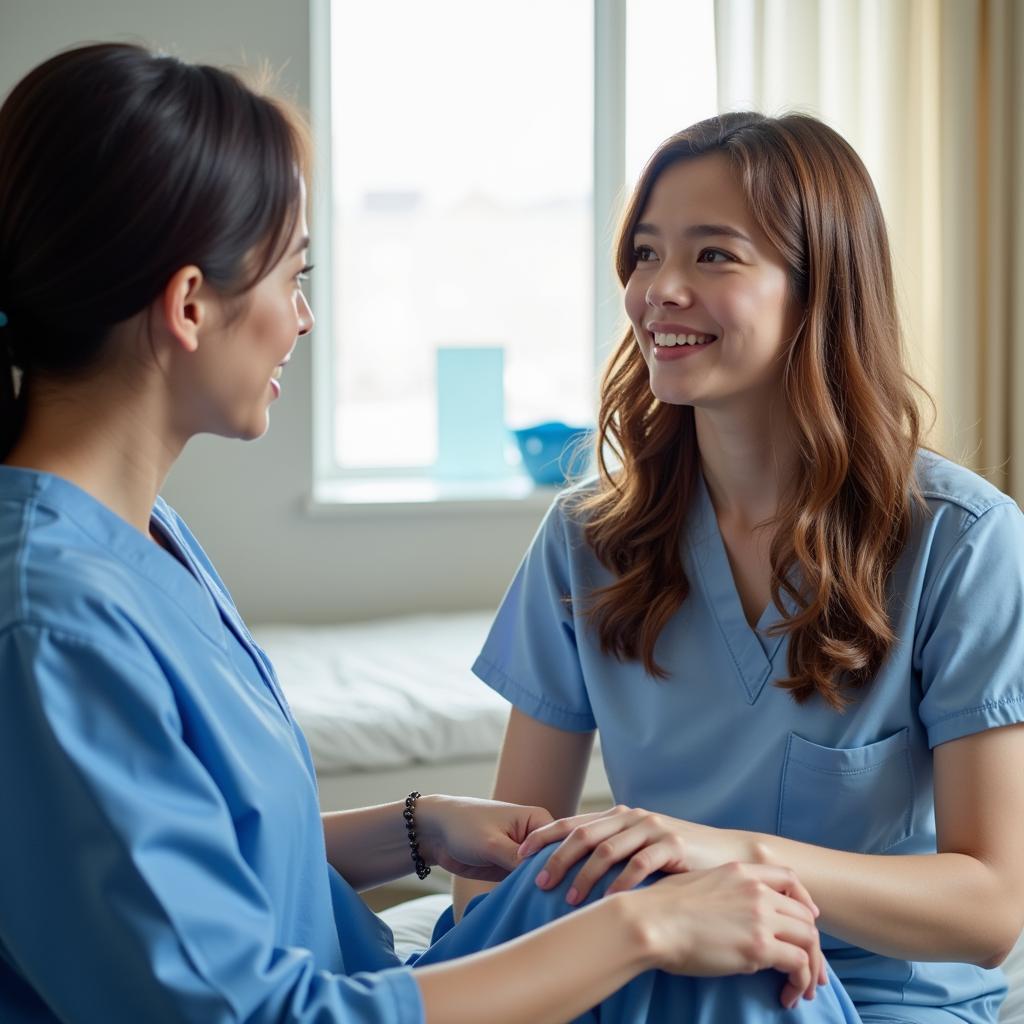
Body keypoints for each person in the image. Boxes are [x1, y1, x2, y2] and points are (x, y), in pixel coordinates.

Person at [0, 43, 868, 1024]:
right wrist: (642, 930)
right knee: (700, 934)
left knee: (701, 910)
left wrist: (413, 829)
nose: (304, 318)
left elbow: (192, 857)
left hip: (355, 977)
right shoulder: (53, 626)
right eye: (296, 274)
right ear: (191, 304)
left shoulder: (144, 539)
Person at [454, 111, 1024, 1024]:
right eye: (644, 254)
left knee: (738, 966)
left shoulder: (961, 542)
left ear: (819, 290)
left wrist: (724, 859)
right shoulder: (584, 540)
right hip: (652, 966)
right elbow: (492, 880)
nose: (658, 290)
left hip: (865, 994)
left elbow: (990, 909)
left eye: (713, 256)